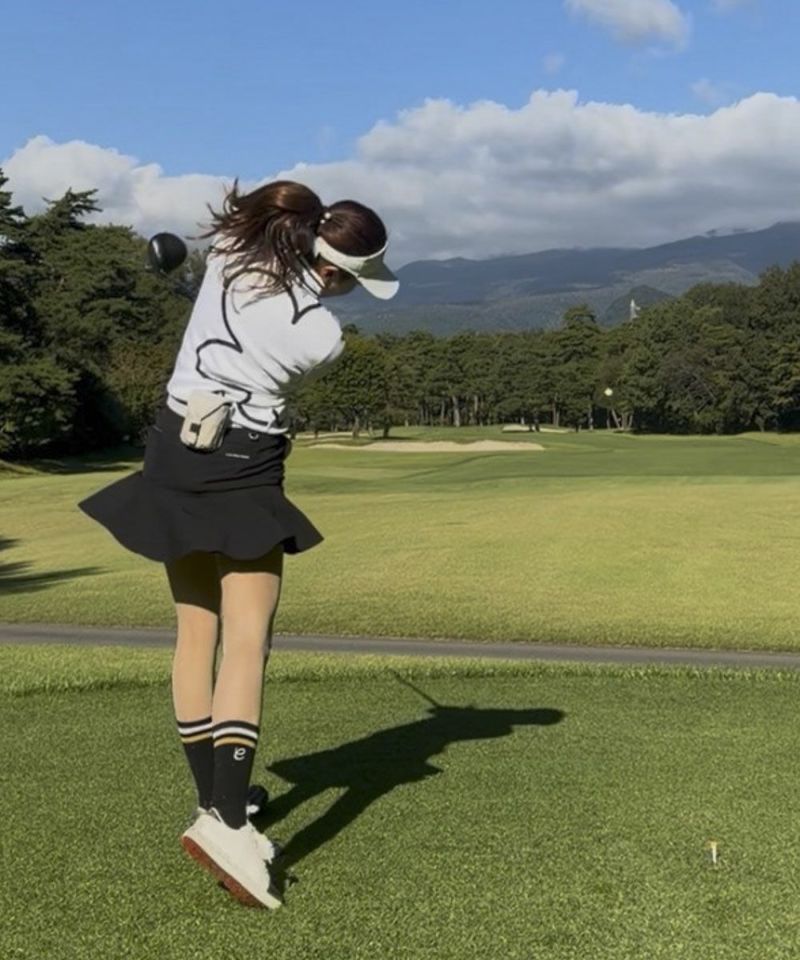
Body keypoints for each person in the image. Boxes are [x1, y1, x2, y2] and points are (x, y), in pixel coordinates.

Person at [78, 180, 398, 909]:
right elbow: (289, 312)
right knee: (248, 638)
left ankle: (217, 800)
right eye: (354, 280)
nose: (354, 292)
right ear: (331, 271)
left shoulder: (230, 251)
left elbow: (253, 261)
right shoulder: (321, 335)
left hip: (171, 449)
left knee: (197, 631)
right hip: (243, 464)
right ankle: (226, 821)